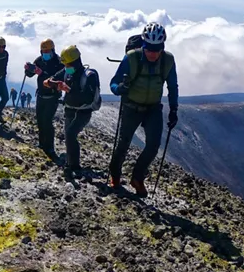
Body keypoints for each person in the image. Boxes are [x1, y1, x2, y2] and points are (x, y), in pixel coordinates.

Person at [108, 22, 179, 197]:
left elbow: (172, 86)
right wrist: (119, 89)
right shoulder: (131, 58)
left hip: (153, 108)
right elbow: (113, 83)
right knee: (123, 143)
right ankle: (115, 174)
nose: (153, 54)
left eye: (157, 49)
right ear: (143, 46)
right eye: (149, 49)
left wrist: (173, 109)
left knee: (153, 146)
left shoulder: (168, 60)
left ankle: (137, 178)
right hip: (131, 107)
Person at [47, 45, 101, 178]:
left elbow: (87, 98)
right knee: (68, 136)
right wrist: (52, 83)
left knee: (70, 134)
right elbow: (50, 79)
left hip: (83, 112)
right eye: (65, 64)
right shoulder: (66, 72)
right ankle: (72, 164)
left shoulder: (89, 76)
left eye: (68, 64)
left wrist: (68, 90)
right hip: (69, 109)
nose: (66, 66)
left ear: (76, 61)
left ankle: (74, 166)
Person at [24, 39, 65, 163]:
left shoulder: (59, 63)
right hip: (41, 95)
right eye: (43, 51)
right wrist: (29, 69)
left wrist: (41, 72)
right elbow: (30, 74)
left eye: (47, 51)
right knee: (40, 121)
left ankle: (50, 148)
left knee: (47, 121)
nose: (45, 53)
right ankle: (42, 144)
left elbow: (55, 78)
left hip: (53, 97)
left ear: (53, 50)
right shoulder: (39, 60)